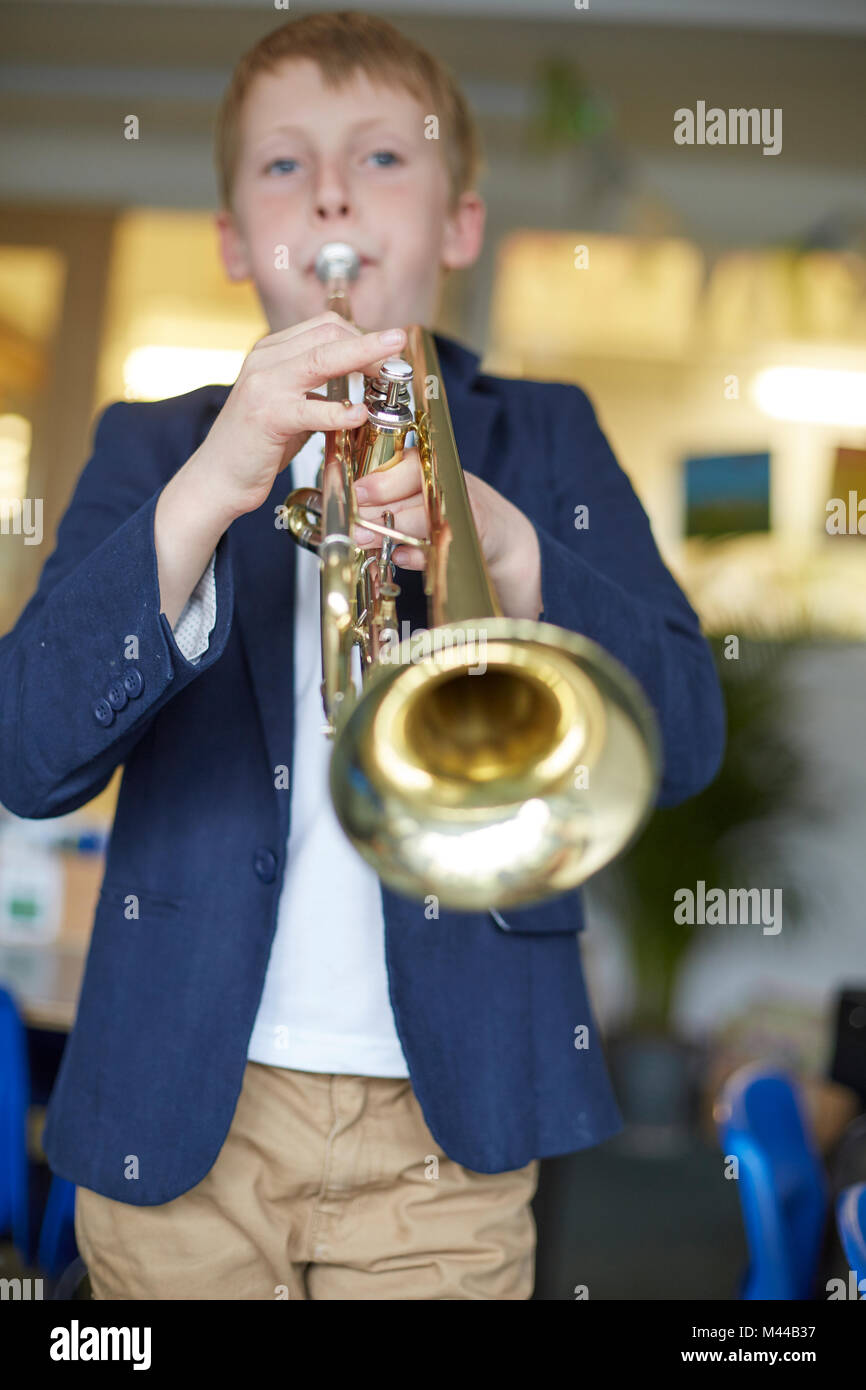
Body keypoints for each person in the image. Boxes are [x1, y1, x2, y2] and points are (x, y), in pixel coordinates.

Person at [0, 12, 725, 1300]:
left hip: (452, 1124)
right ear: (233, 240)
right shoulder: (152, 444)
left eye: (383, 156)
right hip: (182, 1108)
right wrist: (215, 481)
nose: (331, 187)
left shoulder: (549, 437)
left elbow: (685, 740)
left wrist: (513, 559)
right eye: (284, 164)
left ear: (460, 226)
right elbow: (27, 749)